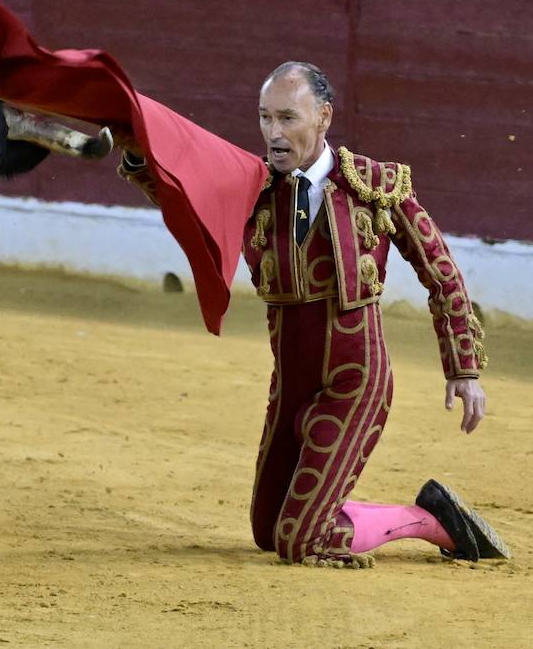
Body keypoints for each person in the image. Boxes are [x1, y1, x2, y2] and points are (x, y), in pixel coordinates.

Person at [118, 62, 510, 567]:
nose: (273, 134)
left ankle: (428, 521)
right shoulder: (250, 187)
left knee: (299, 542)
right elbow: (183, 196)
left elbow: (442, 273)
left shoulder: (375, 185)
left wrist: (464, 369)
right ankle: (331, 511)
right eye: (264, 118)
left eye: (287, 118)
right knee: (267, 531)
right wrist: (138, 155)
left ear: (323, 117)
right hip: (290, 386)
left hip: (354, 382)